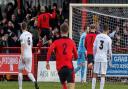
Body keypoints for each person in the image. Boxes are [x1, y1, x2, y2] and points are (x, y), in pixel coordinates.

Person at [46, 23, 78, 89]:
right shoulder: (72, 42)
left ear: (60, 31)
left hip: (60, 69)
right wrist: (73, 57)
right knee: (71, 86)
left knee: (64, 85)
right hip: (69, 67)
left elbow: (49, 50)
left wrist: (47, 62)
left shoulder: (56, 42)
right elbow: (76, 56)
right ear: (68, 31)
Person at [18, 22, 39, 89]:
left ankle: (20, 88)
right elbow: (31, 44)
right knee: (29, 72)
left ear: (21, 27)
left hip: (24, 54)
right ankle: (34, 81)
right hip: (30, 54)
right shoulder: (30, 34)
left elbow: (22, 46)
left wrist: (22, 56)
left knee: (20, 70)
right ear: (26, 27)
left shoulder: (22, 36)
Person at [92, 24, 112, 89]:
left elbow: (94, 47)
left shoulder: (97, 36)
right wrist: (110, 59)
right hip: (104, 58)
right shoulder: (109, 38)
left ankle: (93, 88)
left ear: (102, 29)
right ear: (108, 30)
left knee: (95, 73)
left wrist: (94, 55)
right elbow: (110, 51)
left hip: (97, 56)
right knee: (103, 74)